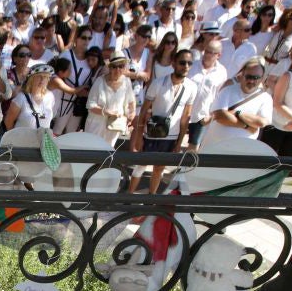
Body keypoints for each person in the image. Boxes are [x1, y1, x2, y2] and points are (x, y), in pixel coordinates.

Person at [131, 49, 197, 194]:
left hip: (171, 136)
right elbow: (143, 111)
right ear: (173, 63)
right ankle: (129, 198)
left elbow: (186, 117)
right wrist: (138, 137)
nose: (186, 66)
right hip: (152, 133)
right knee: (141, 165)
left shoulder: (192, 87)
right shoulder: (158, 83)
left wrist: (179, 143)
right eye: (182, 62)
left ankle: (151, 199)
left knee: (159, 168)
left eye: (189, 63)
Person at [199, 57, 273, 148]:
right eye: (248, 76)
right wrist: (247, 126)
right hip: (213, 146)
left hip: (240, 151)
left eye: (256, 77)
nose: (251, 81)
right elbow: (220, 116)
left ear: (262, 78)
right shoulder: (228, 90)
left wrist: (238, 113)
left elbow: (261, 122)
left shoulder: (266, 98)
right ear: (242, 75)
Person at [86, 54, 135, 148]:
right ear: (109, 68)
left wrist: (131, 114)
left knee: (107, 152)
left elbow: (131, 101)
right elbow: (90, 105)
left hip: (115, 125)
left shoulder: (126, 81)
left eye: (121, 66)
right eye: (114, 67)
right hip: (96, 124)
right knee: (92, 151)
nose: (118, 70)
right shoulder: (99, 81)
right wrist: (106, 112)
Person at [4, 63, 56, 133]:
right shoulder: (21, 97)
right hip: (22, 142)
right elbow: (8, 121)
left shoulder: (50, 96)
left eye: (45, 77)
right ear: (32, 78)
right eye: (39, 76)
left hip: (42, 141)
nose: (42, 80)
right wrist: (15, 138)